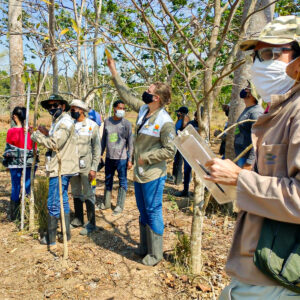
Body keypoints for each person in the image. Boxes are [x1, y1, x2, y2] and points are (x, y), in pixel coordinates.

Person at [204, 16, 300, 299]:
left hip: (278, 275)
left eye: (272, 53)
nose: (263, 63)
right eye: (258, 55)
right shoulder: (282, 109)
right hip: (262, 269)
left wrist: (240, 179)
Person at [107, 58, 176, 266]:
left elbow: (170, 151)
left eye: (149, 90)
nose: (145, 92)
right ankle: (144, 248)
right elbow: (126, 95)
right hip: (139, 173)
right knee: (143, 209)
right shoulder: (145, 110)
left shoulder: (165, 122)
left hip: (153, 174)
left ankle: (156, 255)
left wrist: (146, 158)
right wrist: (114, 71)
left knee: (153, 210)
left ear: (156, 97)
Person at [30, 94, 79, 247]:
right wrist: (45, 132)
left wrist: (36, 136)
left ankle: (51, 239)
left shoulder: (64, 122)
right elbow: (55, 137)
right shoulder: (58, 121)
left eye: (55, 105)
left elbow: (55, 143)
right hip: (61, 165)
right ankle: (65, 235)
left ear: (63, 106)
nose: (52, 108)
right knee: (62, 199)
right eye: (50, 106)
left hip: (61, 167)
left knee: (52, 202)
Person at [69, 99, 101, 235]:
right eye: (71, 109)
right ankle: (78, 219)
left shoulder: (92, 126)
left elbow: (97, 149)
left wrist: (94, 168)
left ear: (81, 110)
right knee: (76, 192)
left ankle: (91, 223)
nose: (72, 111)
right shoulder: (70, 125)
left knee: (88, 193)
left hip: (87, 166)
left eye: (74, 109)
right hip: (72, 165)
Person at [99, 100, 133, 215]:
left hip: (122, 158)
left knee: (122, 181)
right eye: (120, 108)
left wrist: (130, 159)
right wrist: (99, 154)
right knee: (108, 179)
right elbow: (104, 139)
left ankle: (119, 205)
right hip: (109, 157)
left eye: (124, 109)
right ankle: (106, 202)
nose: (121, 111)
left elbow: (130, 143)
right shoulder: (107, 122)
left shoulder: (127, 124)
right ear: (114, 109)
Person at [3, 106, 37, 221]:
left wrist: (7, 163)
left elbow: (8, 149)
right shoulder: (31, 130)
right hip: (29, 162)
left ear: (15, 117)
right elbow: (35, 147)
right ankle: (27, 213)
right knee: (28, 186)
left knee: (15, 186)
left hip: (14, 163)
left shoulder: (11, 131)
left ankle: (15, 215)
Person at [234, 83, 263, 169]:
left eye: (247, 88)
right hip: (240, 155)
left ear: (251, 95)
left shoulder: (256, 113)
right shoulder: (248, 109)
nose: (244, 89)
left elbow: (258, 139)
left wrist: (250, 162)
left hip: (246, 158)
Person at [175, 111, 199, 197]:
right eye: (196, 116)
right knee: (187, 171)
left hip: (199, 153)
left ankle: (198, 193)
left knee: (200, 173)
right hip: (189, 150)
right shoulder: (191, 124)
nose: (197, 118)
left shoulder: (204, 126)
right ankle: (185, 190)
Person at [169, 106, 190, 185]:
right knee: (178, 161)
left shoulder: (184, 121)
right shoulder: (181, 120)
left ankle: (178, 180)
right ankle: (176, 178)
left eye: (179, 112)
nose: (177, 113)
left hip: (181, 144)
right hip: (178, 143)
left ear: (181, 113)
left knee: (179, 161)